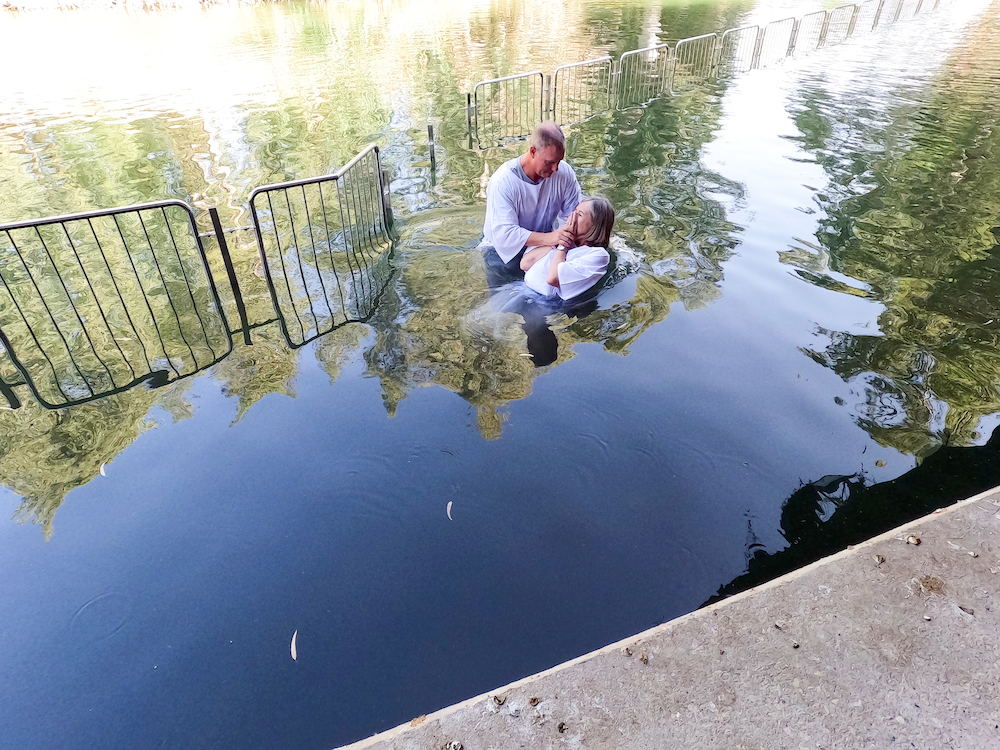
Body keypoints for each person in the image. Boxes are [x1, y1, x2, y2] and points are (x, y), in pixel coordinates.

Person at [481, 121, 582, 284]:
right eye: (549, 162)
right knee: (504, 307)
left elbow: (574, 215)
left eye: (559, 161)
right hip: (501, 255)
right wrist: (552, 238)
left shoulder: (564, 173)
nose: (556, 168)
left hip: (542, 249)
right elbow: (505, 234)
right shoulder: (503, 181)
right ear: (533, 151)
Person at [519, 196, 614, 301]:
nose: (571, 216)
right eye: (574, 211)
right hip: (521, 290)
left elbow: (553, 279)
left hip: (544, 304)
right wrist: (557, 240)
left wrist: (563, 246)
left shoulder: (598, 255)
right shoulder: (565, 241)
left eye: (579, 214)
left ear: (594, 225)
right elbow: (525, 264)